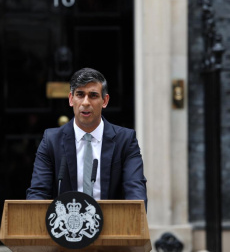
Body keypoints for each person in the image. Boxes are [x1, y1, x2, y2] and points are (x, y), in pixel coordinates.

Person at [26, 68, 147, 209]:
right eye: (80, 95)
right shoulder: (51, 141)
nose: (85, 102)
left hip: (113, 226)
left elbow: (136, 192)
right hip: (64, 228)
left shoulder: (125, 140)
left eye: (93, 95)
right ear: (71, 99)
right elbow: (38, 193)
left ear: (105, 101)